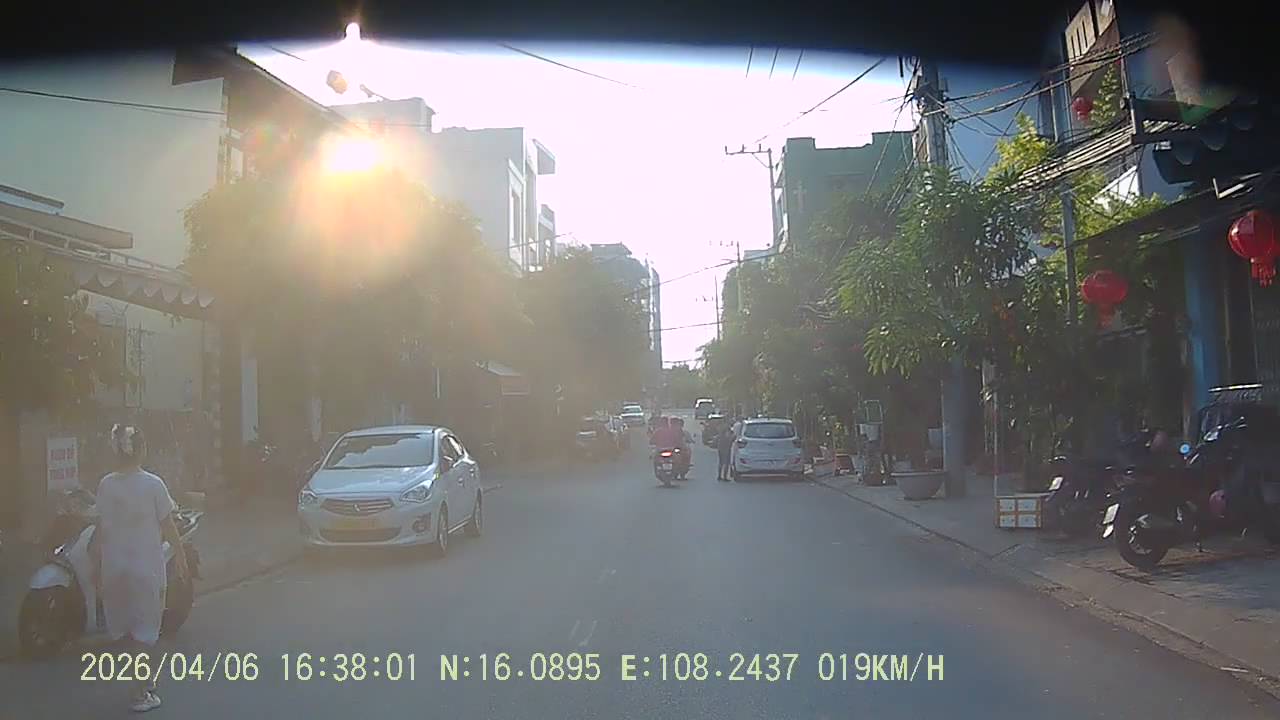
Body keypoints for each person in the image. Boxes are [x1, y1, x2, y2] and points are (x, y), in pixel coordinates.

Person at [89, 424, 189, 713]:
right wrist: (181, 557)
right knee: (146, 632)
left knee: (125, 629)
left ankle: (142, 680)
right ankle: (140, 692)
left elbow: (99, 532)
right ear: (142, 449)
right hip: (146, 569)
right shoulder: (153, 484)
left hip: (114, 569)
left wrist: (95, 571)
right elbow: (169, 526)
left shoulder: (105, 485)